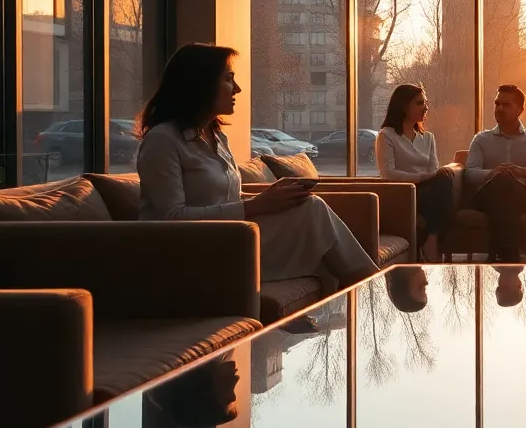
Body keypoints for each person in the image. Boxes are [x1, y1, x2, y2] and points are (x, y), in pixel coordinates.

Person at [137, 44, 380, 291]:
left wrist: (272, 198)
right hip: (195, 251)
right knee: (314, 215)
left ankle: (367, 289)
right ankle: (373, 289)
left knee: (310, 208)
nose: (237, 88)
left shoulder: (216, 137)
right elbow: (172, 217)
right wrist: (255, 205)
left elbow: (228, 199)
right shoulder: (162, 140)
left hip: (234, 236)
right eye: (228, 79)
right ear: (201, 83)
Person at [464, 84, 526, 262]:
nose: (499, 109)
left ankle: (498, 252)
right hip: (489, 195)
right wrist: (492, 173)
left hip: (525, 195)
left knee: (505, 189)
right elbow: (470, 172)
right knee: (502, 182)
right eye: (497, 104)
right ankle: (509, 252)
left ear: (520, 110)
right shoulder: (481, 139)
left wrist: (523, 171)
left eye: (506, 105)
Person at [376, 84, 455, 262]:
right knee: (443, 183)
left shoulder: (428, 137)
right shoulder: (387, 135)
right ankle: (433, 242)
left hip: (428, 192)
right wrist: (422, 177)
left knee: (445, 176)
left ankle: (431, 239)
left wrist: (431, 176)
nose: (426, 107)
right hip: (402, 193)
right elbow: (389, 174)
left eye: (426, 103)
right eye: (419, 103)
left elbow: (433, 169)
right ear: (404, 106)